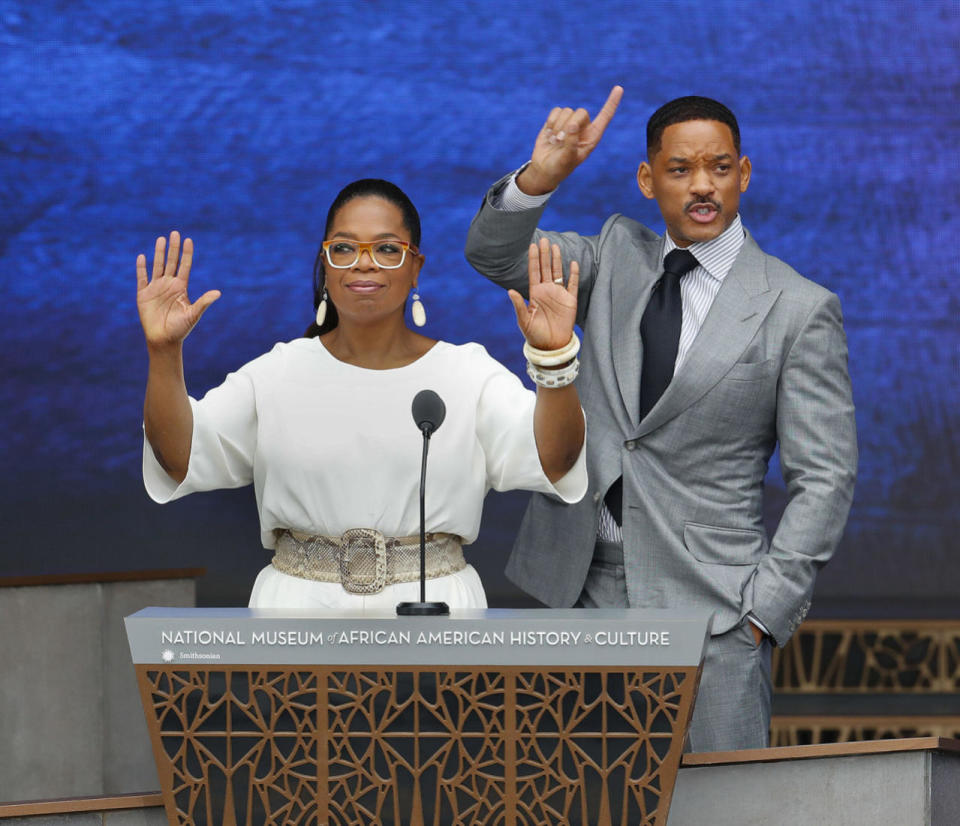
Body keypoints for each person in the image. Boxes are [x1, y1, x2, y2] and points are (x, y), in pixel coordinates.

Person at [465, 90, 857, 751]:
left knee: (719, 813)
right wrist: (539, 182)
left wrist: (762, 613)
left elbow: (827, 477)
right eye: (680, 170)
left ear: (744, 173)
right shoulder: (613, 256)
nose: (702, 186)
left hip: (714, 612)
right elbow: (494, 257)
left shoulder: (797, 308)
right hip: (579, 592)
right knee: (576, 803)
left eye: (720, 167)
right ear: (648, 180)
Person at [137, 178, 586, 614]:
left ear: (416, 268)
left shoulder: (467, 372)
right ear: (326, 264)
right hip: (297, 612)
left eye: (388, 249)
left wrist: (554, 359)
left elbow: (557, 460)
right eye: (345, 248)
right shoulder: (277, 371)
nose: (364, 262)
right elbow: (178, 457)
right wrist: (163, 351)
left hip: (435, 612)